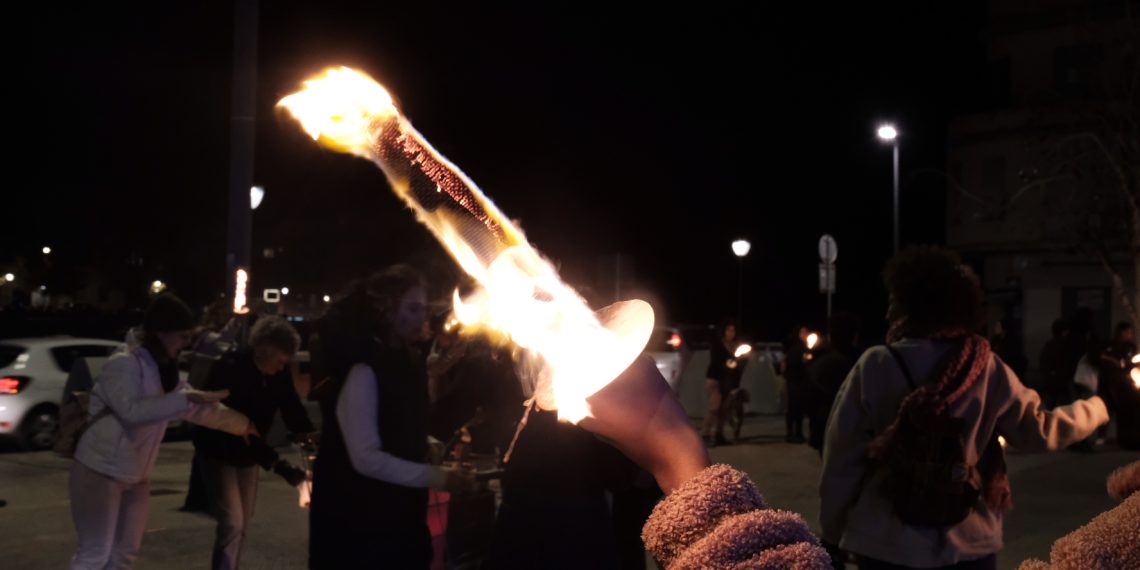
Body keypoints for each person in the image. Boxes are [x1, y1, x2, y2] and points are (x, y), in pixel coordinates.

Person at [819, 246, 1111, 570]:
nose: (887, 314)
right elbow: (1037, 431)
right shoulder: (987, 367)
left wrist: (833, 530)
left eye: (894, 303)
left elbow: (842, 458)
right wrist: (1098, 408)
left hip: (887, 544)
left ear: (913, 308)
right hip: (969, 542)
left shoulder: (876, 364)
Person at [68, 294, 256, 569]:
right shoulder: (124, 363)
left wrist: (243, 425)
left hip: (135, 475)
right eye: (182, 336)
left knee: (124, 555)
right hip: (99, 470)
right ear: (162, 332)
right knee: (95, 553)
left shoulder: (162, 369)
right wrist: (186, 399)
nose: (186, 343)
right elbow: (132, 411)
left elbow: (193, 408)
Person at [308, 265, 472, 569]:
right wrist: (437, 477)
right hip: (359, 521)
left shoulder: (407, 361)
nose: (422, 317)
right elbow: (365, 458)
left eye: (423, 308)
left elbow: (394, 420)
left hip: (398, 514)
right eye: (411, 308)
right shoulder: (363, 369)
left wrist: (423, 441)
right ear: (386, 310)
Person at [192, 315, 315, 570]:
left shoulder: (276, 376)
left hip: (249, 455)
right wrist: (280, 466)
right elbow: (237, 430)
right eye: (280, 361)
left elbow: (291, 408)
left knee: (242, 522)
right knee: (233, 522)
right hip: (219, 451)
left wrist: (310, 438)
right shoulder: (232, 368)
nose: (282, 368)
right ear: (264, 349)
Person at [805, 312, 860, 455]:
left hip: (828, 427)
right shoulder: (863, 361)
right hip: (855, 430)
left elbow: (811, 398)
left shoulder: (824, 363)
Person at [701, 319, 747, 447]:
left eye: (733, 330)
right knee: (714, 407)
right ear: (724, 331)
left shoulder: (735, 346)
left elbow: (737, 364)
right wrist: (729, 363)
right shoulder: (718, 344)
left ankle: (719, 435)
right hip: (715, 379)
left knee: (724, 410)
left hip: (728, 382)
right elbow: (717, 360)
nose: (731, 333)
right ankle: (705, 434)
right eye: (729, 330)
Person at [781, 324, 811, 443]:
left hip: (802, 380)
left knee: (800, 407)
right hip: (793, 380)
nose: (804, 335)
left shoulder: (806, 347)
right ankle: (790, 433)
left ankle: (798, 433)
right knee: (793, 406)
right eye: (802, 332)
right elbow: (787, 365)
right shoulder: (794, 348)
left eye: (806, 332)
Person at [1037, 319, 1069, 408]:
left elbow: (1043, 361)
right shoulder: (1065, 345)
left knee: (1051, 403)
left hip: (1052, 378)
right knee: (1064, 403)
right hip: (1061, 378)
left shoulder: (1049, 344)